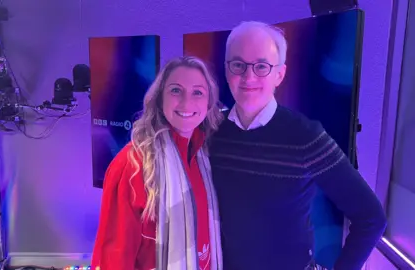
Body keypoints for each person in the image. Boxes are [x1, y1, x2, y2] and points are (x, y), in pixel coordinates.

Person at [209, 21, 388, 270]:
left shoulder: (305, 136)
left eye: (261, 66)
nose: (248, 76)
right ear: (227, 71)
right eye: (238, 65)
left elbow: (371, 217)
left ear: (279, 74)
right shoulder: (212, 133)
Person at [91, 56, 224, 270]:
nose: (186, 102)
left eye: (198, 92)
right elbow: (114, 258)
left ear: (209, 103)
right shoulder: (132, 164)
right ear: (159, 98)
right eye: (175, 90)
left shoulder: (206, 159)